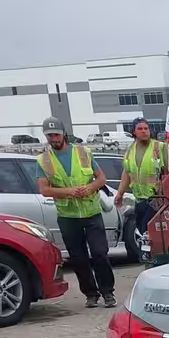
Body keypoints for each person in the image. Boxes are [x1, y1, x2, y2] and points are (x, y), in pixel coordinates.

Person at [34, 117, 116, 308]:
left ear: (64, 134)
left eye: (56, 134)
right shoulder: (43, 160)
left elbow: (101, 179)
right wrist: (69, 192)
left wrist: (90, 188)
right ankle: (90, 294)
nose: (54, 138)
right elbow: (44, 190)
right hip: (68, 216)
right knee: (79, 258)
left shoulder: (83, 152)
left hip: (91, 212)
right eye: (50, 135)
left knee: (100, 253)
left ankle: (107, 292)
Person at [116, 117, 169, 246]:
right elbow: (126, 174)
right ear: (134, 132)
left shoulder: (159, 147)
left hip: (157, 201)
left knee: (152, 234)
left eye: (146, 128)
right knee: (143, 233)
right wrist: (120, 194)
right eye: (140, 129)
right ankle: (146, 255)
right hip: (139, 200)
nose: (144, 131)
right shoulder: (130, 150)